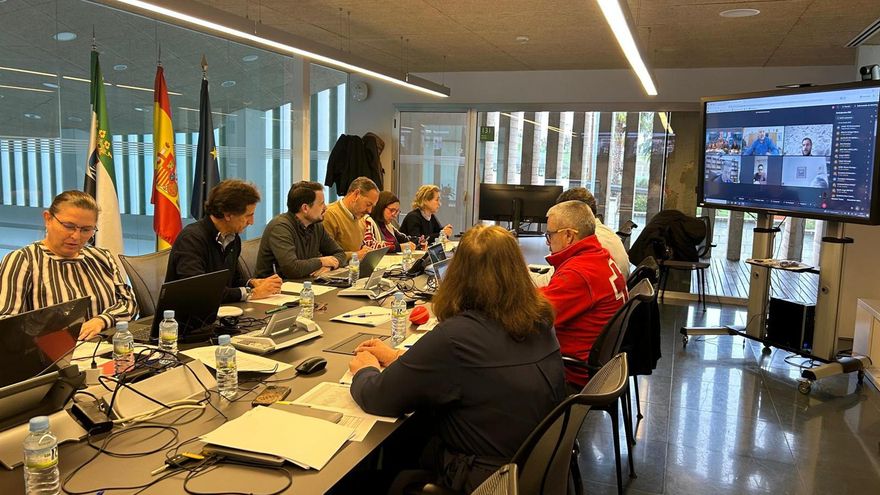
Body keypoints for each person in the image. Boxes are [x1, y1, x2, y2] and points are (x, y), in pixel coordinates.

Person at [348, 225, 565, 492]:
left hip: (479, 476)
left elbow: (378, 398)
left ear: (458, 274)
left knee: (390, 454)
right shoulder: (540, 319)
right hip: (527, 465)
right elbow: (479, 371)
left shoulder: (455, 337)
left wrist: (366, 370)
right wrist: (398, 358)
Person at [0, 190, 137, 340]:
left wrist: (101, 320)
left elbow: (129, 303)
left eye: (86, 230)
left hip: (107, 346)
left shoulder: (101, 257)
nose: (76, 236)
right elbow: (6, 322)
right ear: (48, 219)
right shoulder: (23, 260)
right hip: (51, 351)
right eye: (69, 226)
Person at [540, 200, 628, 389]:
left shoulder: (579, 272)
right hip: (597, 370)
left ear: (568, 235)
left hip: (570, 375)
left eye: (550, 235)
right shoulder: (598, 256)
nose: (547, 242)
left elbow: (534, 317)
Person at [166, 179, 281, 303]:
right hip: (185, 313)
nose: (251, 222)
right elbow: (199, 291)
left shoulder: (233, 238)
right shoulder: (191, 239)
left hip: (220, 311)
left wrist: (252, 283)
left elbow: (232, 281)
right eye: (248, 215)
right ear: (228, 215)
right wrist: (251, 293)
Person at [255, 181, 346, 279]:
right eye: (321, 204)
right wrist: (322, 261)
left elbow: (340, 254)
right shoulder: (280, 228)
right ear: (305, 208)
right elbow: (292, 269)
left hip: (305, 282)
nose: (325, 207)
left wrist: (328, 266)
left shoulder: (316, 226)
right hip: (277, 286)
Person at [322, 176, 379, 259]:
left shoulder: (361, 219)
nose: (369, 211)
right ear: (356, 194)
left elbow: (357, 249)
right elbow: (326, 256)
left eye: (372, 206)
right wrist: (356, 255)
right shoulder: (329, 215)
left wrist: (364, 250)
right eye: (368, 204)